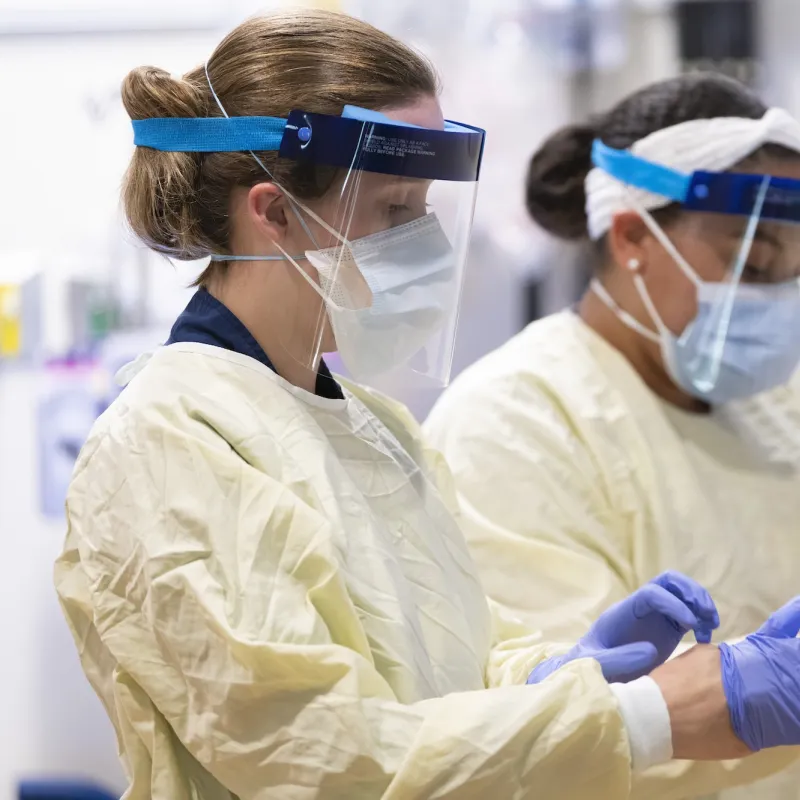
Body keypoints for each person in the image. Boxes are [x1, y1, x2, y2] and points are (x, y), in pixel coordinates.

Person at [54, 15, 800, 797]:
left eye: (423, 209)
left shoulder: (374, 429)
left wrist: (557, 675)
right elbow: (318, 754)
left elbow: (448, 678)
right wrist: (642, 719)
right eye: (394, 211)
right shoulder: (169, 441)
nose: (428, 246)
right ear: (273, 214)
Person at [424, 72, 800, 799]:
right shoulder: (515, 421)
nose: (778, 297)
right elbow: (563, 741)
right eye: (751, 264)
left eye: (794, 270)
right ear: (632, 236)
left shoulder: (777, 402)